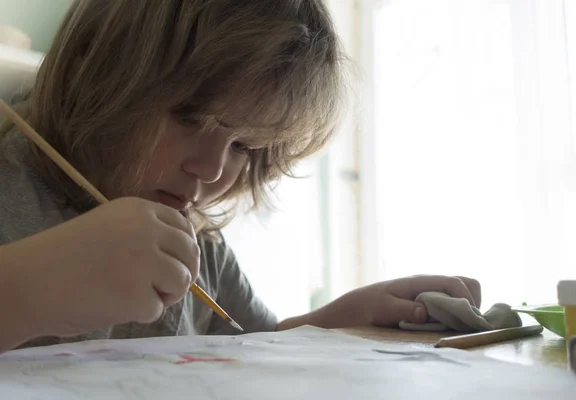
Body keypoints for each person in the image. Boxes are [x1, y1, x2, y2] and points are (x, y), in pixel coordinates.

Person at [0, 0, 481, 353]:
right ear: (93, 69)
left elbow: (243, 348)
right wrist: (22, 289)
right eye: (190, 118)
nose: (210, 170)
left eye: (244, 146)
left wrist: (331, 323)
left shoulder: (197, 237)